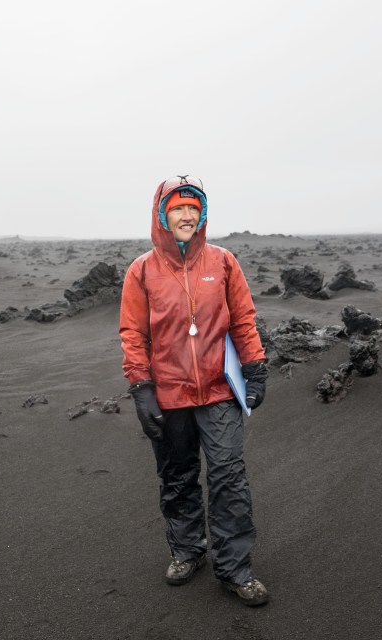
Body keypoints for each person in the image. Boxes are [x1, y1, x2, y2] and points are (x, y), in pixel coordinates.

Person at [119, 175, 270, 607]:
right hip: (168, 395)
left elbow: (243, 319)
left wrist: (255, 367)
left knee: (228, 477)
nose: (186, 215)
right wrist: (141, 388)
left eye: (193, 208)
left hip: (220, 391)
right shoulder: (142, 270)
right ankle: (187, 551)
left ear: (202, 214)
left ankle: (235, 568)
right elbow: (133, 333)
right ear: (162, 215)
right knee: (178, 476)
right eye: (177, 208)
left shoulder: (223, 262)